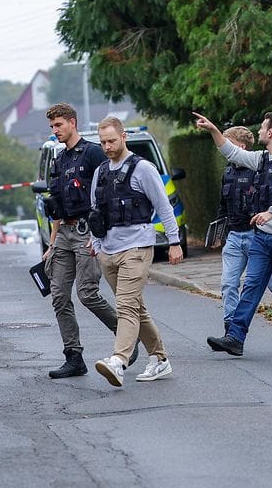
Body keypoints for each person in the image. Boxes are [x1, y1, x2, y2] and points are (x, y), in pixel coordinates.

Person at [193, 110, 272, 358]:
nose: (260, 131)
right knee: (251, 287)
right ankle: (235, 338)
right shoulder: (262, 159)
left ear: (271, 132)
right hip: (262, 239)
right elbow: (232, 152)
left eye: (263, 128)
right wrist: (213, 129)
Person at [42, 103, 133, 379]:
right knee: (58, 295)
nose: (55, 130)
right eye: (52, 127)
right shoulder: (60, 159)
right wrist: (52, 243)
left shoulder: (93, 153)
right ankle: (73, 356)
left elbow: (107, 193)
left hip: (86, 232)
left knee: (87, 294)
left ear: (72, 122)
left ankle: (126, 335)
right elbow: (56, 205)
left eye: (58, 125)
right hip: (65, 234)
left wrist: (103, 235)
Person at [90, 116, 182, 387]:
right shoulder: (101, 172)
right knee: (136, 309)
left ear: (123, 137)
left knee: (126, 306)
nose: (107, 146)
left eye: (111, 141)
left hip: (137, 247)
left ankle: (118, 361)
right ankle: (160, 360)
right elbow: (95, 211)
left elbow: (164, 207)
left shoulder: (143, 169)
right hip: (108, 251)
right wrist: (96, 245)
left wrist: (174, 242)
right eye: (103, 142)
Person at [215, 125, 272, 346]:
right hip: (235, 236)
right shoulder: (228, 172)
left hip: (257, 236)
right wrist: (219, 232)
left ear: (241, 146)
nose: (227, 147)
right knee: (228, 284)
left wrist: (271, 215)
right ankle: (231, 332)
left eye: (230, 141)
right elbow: (223, 204)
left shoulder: (258, 167)